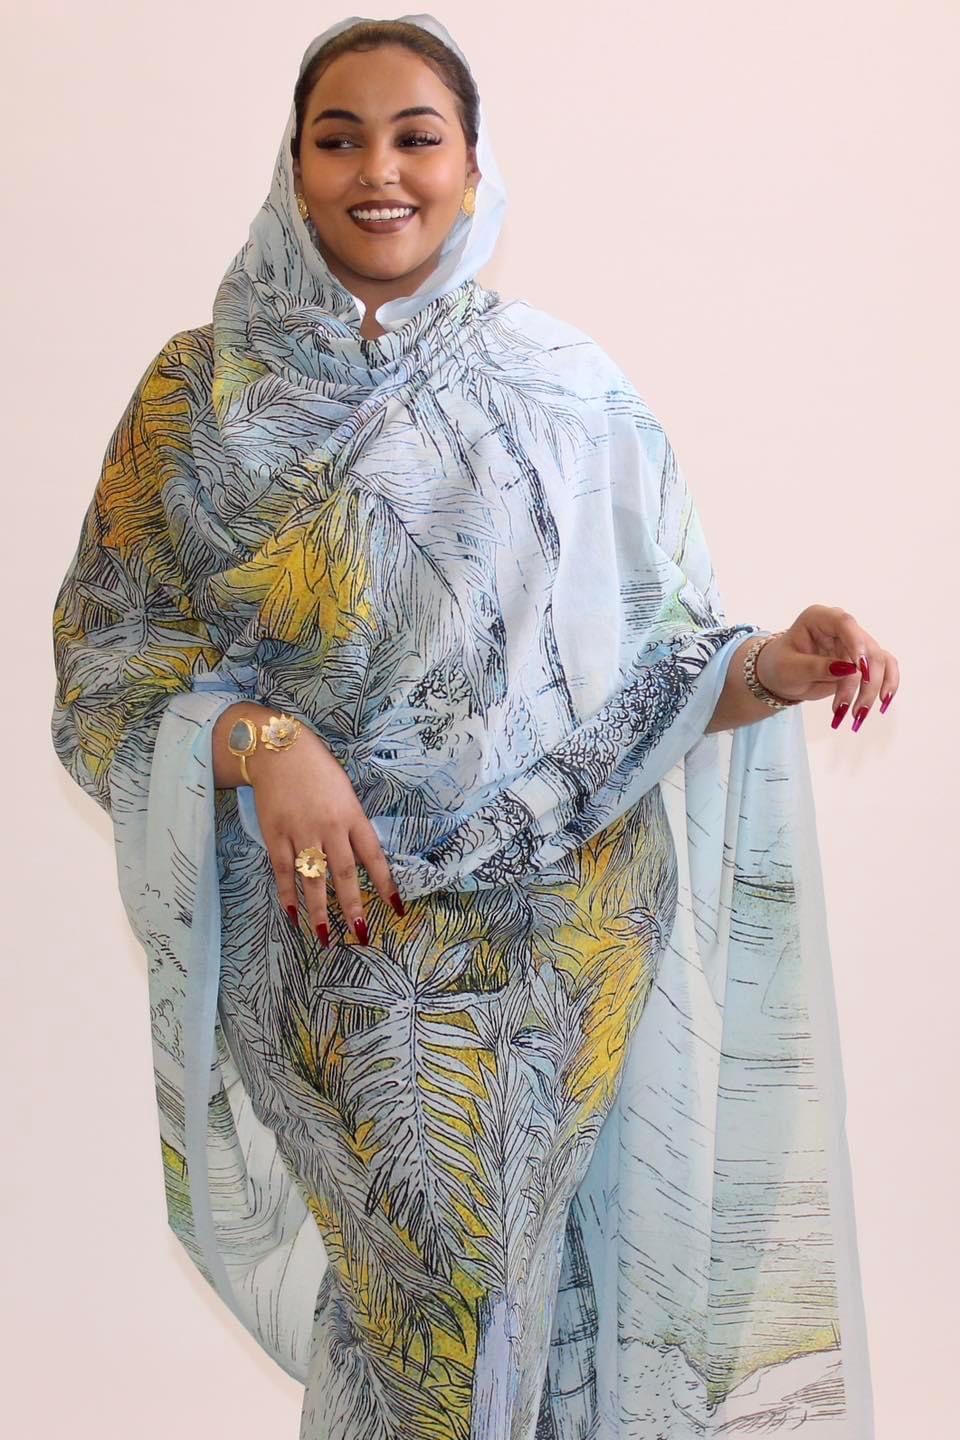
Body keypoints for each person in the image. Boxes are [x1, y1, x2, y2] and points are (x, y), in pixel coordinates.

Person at [50, 13, 890, 1437]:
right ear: (293, 169)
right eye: (340, 140)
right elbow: (103, 666)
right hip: (334, 939)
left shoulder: (567, 387)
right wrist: (259, 741)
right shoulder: (196, 398)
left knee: (510, 1313)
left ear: (473, 165)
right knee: (431, 1307)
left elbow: (663, 673)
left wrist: (773, 665)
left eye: (416, 137)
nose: (379, 171)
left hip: (566, 940)